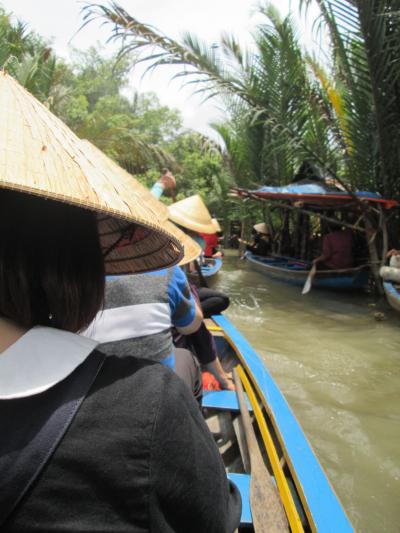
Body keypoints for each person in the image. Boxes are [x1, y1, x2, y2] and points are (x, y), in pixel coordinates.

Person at [0, 74, 241, 532]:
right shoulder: (148, 402)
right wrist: (213, 365)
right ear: (81, 261)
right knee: (194, 350)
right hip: (168, 356)